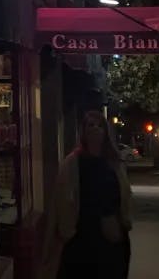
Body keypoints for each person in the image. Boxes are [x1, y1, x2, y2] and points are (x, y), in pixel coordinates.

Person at [39, 109, 132, 279]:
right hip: (82, 239)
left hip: (112, 239)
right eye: (90, 125)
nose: (95, 129)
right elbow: (60, 201)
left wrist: (123, 223)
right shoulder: (73, 163)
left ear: (106, 131)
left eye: (99, 125)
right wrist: (66, 233)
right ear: (84, 131)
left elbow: (125, 195)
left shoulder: (114, 163)